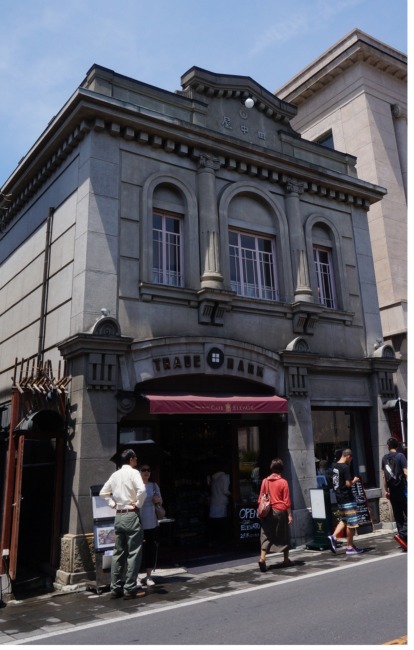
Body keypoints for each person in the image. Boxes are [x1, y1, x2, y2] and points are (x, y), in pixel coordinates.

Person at [99, 449, 147, 599]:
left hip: (119, 515)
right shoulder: (134, 473)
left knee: (118, 552)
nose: (136, 460)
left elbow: (103, 492)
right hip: (131, 514)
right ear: (131, 459)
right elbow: (142, 490)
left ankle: (115, 588)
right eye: (135, 458)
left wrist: (113, 504)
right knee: (134, 552)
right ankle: (130, 588)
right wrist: (138, 504)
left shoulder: (115, 474)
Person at [258, 458, 293, 572]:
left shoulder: (265, 481)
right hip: (280, 511)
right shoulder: (283, 482)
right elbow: (286, 501)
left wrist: (260, 512)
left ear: (271, 468)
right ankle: (286, 559)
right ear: (281, 469)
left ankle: (262, 558)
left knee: (266, 534)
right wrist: (289, 515)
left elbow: (261, 498)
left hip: (267, 511)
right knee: (283, 534)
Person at [327, 448, 363, 555]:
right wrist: (354, 481)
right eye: (350, 459)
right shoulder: (345, 467)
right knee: (351, 523)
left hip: (339, 497)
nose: (350, 461)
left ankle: (333, 536)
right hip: (347, 498)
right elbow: (348, 484)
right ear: (348, 457)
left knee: (344, 520)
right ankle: (350, 547)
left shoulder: (334, 466)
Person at [138, 464, 163, 586]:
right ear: (139, 472)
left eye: (148, 470)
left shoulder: (153, 485)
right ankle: (136, 576)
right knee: (137, 550)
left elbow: (161, 500)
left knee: (150, 548)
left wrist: (157, 500)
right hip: (138, 521)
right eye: (144, 470)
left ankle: (148, 576)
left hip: (151, 521)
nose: (146, 472)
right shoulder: (136, 485)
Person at [382, 437, 407, 551]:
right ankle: (405, 535)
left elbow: (384, 476)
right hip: (402, 490)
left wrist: (386, 490)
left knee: (398, 516)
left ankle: (403, 539)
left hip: (392, 491)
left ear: (388, 446)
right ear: (397, 446)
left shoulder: (384, 458)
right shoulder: (400, 456)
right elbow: (406, 472)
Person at [208, 465, 231, 544]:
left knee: (214, 522)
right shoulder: (225, 477)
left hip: (214, 502)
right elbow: (225, 491)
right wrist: (232, 494)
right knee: (222, 522)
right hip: (221, 502)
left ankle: (215, 539)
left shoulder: (214, 478)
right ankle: (222, 540)